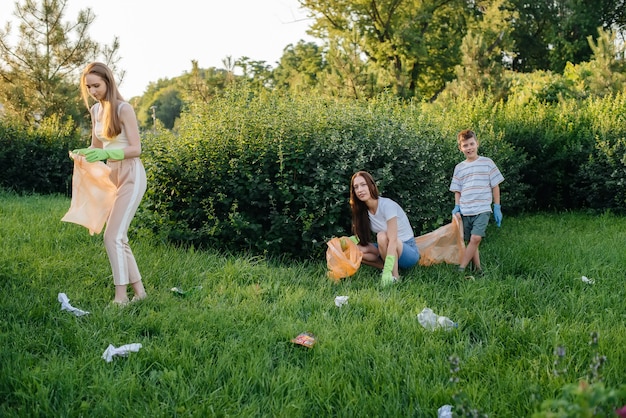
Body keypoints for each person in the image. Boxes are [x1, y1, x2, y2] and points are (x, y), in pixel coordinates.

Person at [73, 62, 147, 305]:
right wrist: (81, 153)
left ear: (108, 82)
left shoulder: (123, 109)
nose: (93, 91)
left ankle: (121, 297)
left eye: (97, 85)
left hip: (131, 175)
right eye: (89, 87)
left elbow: (136, 149)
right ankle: (141, 294)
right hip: (110, 176)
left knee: (112, 236)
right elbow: (96, 148)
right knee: (119, 237)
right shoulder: (95, 111)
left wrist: (106, 155)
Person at [350, 171, 420, 286]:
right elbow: (360, 238)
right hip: (387, 246)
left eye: (363, 185)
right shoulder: (363, 211)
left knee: (382, 236)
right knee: (356, 251)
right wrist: (345, 243)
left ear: (372, 186)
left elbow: (392, 240)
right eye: (356, 187)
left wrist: (389, 271)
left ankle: (394, 276)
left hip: (407, 250)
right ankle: (387, 268)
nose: (360, 190)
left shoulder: (387, 205)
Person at [449, 129, 504, 275]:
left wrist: (497, 206)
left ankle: (461, 268)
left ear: (477, 143)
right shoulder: (459, 168)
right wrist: (457, 207)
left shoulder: (487, 163)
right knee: (472, 242)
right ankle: (478, 270)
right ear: (460, 148)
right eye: (465, 145)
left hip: (482, 208)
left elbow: (495, 186)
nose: (469, 148)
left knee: (476, 237)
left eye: (471, 144)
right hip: (466, 209)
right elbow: (457, 190)